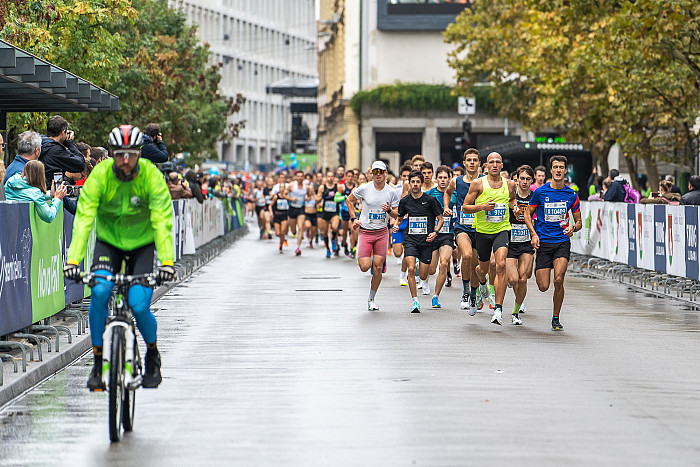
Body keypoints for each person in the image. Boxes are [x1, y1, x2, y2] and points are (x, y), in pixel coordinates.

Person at [62, 125, 174, 390]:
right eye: (120, 154)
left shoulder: (150, 176)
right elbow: (84, 219)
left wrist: (167, 262)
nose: (126, 160)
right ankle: (99, 361)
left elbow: (162, 220)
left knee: (137, 303)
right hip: (109, 244)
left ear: (139, 154)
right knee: (100, 292)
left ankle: (153, 354)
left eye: (132, 154)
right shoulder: (100, 175)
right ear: (112, 153)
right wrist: (73, 261)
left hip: (142, 246)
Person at [523, 155, 582, 331]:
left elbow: (579, 221)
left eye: (561, 167)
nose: (558, 170)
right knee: (543, 286)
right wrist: (533, 234)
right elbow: (527, 214)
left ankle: (555, 318)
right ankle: (538, 268)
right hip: (543, 243)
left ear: (565, 170)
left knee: (558, 279)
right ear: (551, 169)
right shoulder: (541, 192)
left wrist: (574, 228)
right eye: (555, 167)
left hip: (562, 242)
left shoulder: (571, 195)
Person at [462, 152, 517, 326]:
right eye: (491, 162)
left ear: (502, 165)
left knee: (501, 265)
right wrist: (482, 207)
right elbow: (465, 207)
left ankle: (498, 309)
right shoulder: (478, 184)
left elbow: (513, 199)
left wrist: (514, 207)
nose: (494, 165)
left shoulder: (510, 184)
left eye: (498, 162)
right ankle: (482, 283)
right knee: (482, 269)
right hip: (482, 232)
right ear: (485, 165)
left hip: (502, 229)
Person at [346, 161, 399, 311]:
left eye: (380, 172)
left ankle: (371, 298)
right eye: (375, 172)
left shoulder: (391, 191)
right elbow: (349, 200)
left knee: (378, 268)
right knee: (365, 267)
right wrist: (353, 218)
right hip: (365, 231)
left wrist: (389, 211)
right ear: (371, 174)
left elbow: (397, 213)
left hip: (382, 232)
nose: (378, 175)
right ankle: (362, 255)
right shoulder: (364, 188)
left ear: (385, 173)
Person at [393, 169, 443, 313]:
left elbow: (440, 219)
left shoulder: (430, 200)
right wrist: (396, 226)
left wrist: (435, 232)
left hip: (426, 241)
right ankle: (415, 301)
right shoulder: (404, 201)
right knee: (410, 269)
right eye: (412, 181)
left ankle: (419, 270)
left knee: (423, 275)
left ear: (422, 183)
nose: (415, 184)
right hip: (410, 239)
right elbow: (400, 218)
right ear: (409, 183)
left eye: (417, 182)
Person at [443, 148, 482, 313]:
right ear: (464, 162)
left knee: (475, 265)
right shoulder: (456, 181)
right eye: (469, 160)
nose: (472, 162)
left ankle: (473, 294)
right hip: (462, 227)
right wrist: (446, 207)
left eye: (475, 160)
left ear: (479, 163)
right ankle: (465, 291)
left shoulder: (484, 181)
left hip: (480, 228)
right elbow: (447, 193)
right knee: (466, 255)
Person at [506, 165, 536, 325]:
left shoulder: (535, 196)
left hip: (526, 243)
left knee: (523, 279)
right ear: (516, 179)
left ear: (532, 180)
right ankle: (518, 297)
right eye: (521, 178)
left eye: (527, 179)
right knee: (513, 280)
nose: (524, 182)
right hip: (510, 243)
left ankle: (515, 312)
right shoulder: (511, 196)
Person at [425, 165, 455, 308]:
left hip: (447, 235)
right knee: (430, 270)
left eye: (445, 178)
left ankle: (436, 296)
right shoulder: (430, 194)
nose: (443, 180)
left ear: (450, 179)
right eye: (440, 178)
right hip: (432, 234)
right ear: (436, 179)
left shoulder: (454, 194)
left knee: (444, 263)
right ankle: (422, 276)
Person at [39, 115, 86, 187]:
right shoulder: (56, 151)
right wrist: (70, 143)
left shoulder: (39, 144)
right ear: (63, 132)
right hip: (51, 192)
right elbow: (80, 164)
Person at [392, 164, 412, 286]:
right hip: (399, 222)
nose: (406, 178)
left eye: (408, 176)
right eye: (404, 176)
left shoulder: (417, 189)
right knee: (398, 252)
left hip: (410, 223)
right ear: (401, 176)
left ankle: (403, 274)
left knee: (408, 251)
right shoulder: (396, 189)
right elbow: (394, 207)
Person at [286, 170, 314, 256]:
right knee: (294, 231)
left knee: (301, 227)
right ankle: (294, 233)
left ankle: (298, 247)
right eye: (298, 176)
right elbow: (283, 195)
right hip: (292, 208)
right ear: (295, 177)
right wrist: (291, 199)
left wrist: (307, 198)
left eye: (301, 176)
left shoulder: (307, 187)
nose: (300, 178)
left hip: (301, 209)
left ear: (303, 177)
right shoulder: (291, 185)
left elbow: (309, 195)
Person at [317, 170, 341, 258]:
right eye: (328, 176)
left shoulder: (337, 187)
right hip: (325, 212)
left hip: (334, 211)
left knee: (335, 227)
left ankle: (333, 241)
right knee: (324, 233)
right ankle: (327, 249)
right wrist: (323, 195)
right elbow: (317, 199)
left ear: (334, 178)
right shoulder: (322, 188)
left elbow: (345, 194)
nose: (330, 178)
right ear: (326, 178)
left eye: (332, 176)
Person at [270, 173, 290, 253]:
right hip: (277, 214)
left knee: (283, 231)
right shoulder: (275, 188)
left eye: (283, 178)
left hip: (285, 214)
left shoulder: (288, 188)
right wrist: (271, 212)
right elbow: (271, 198)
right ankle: (281, 239)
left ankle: (281, 244)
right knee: (278, 233)